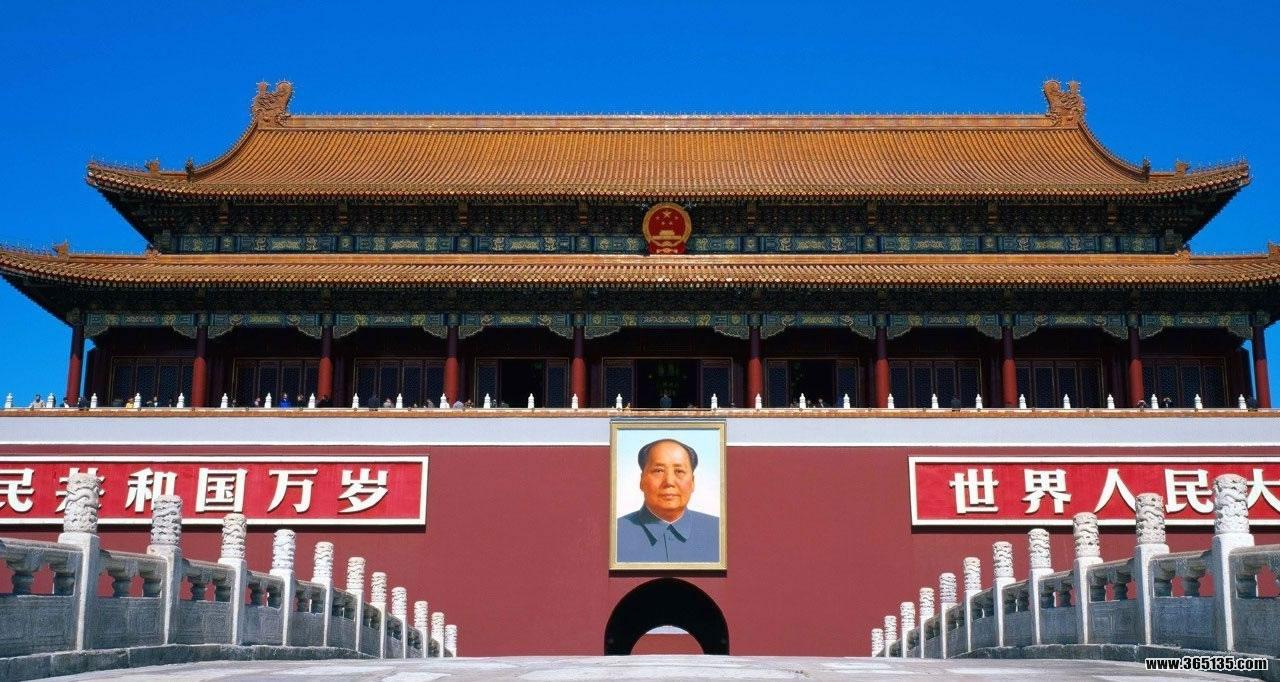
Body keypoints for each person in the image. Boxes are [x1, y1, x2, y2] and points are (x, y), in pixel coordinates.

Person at [615, 438, 719, 563]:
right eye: (658, 471)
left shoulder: (719, 531)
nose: (669, 482)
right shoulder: (614, 534)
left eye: (679, 471)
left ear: (692, 482)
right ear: (642, 481)